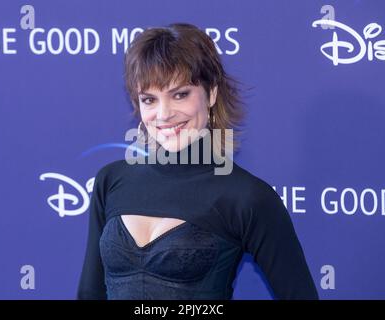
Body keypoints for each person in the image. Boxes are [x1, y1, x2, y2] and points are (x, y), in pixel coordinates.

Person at [77, 22, 319, 300]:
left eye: (180, 94)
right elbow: (89, 292)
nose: (163, 114)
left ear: (211, 93)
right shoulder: (112, 181)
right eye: (149, 99)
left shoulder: (247, 197)